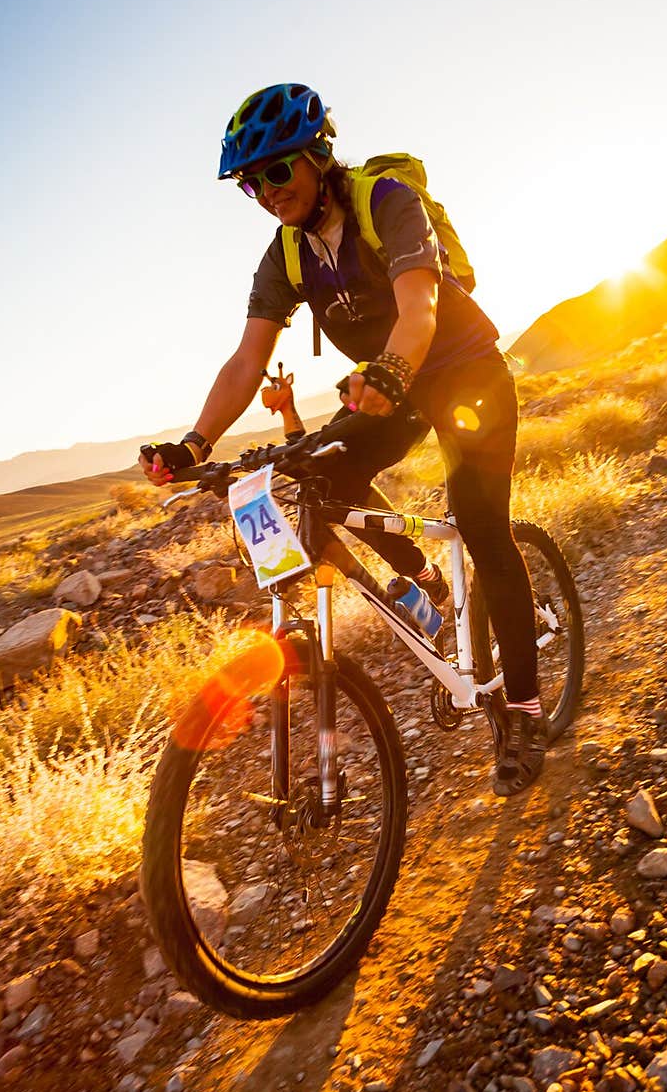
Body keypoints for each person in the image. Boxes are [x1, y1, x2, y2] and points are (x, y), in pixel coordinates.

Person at [139, 82, 546, 796]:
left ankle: (524, 710)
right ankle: (424, 582)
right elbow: (245, 361)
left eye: (274, 171)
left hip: (464, 373)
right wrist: (194, 445)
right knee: (320, 474)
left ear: (317, 155)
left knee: (482, 524)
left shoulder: (386, 200)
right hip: (390, 385)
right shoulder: (285, 254)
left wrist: (388, 369)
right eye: (248, 182)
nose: (265, 191)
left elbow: (419, 306)